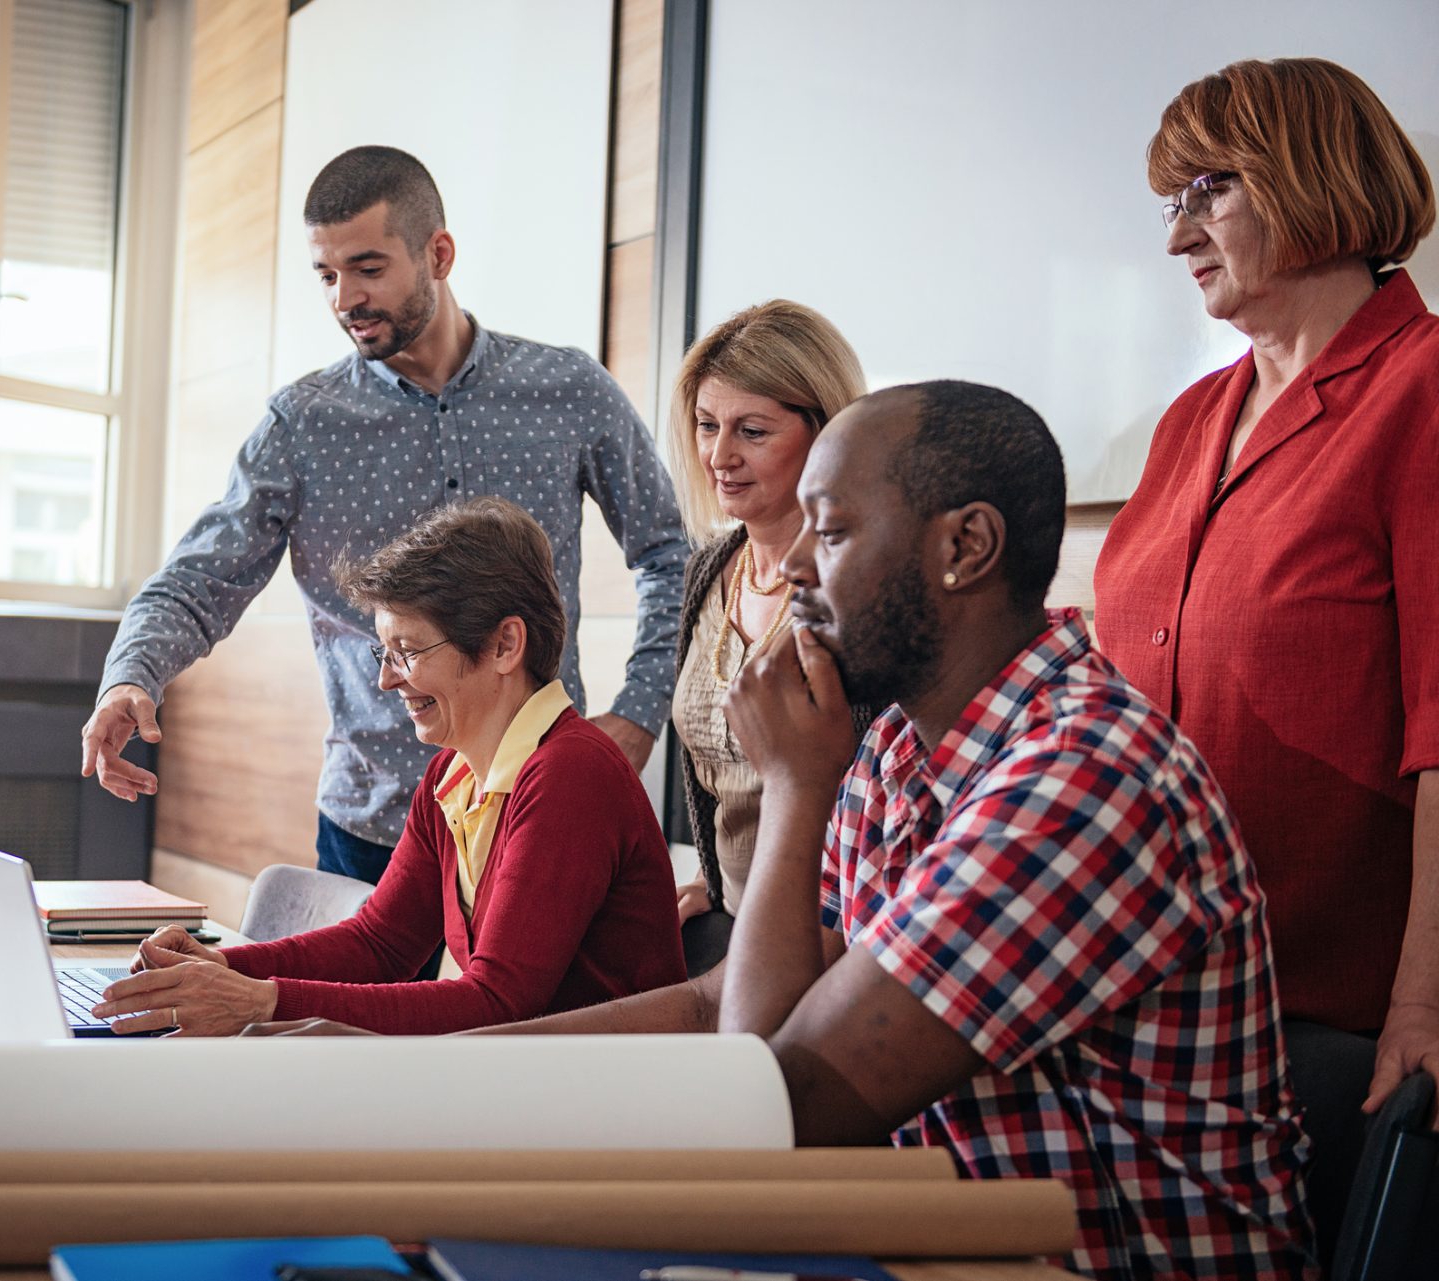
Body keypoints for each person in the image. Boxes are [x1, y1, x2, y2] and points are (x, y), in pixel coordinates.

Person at [275, 383, 1317, 1278]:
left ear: (965, 548)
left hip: (1069, 1262)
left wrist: (793, 789)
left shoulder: (1079, 779)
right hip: (918, 1233)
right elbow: (715, 1008)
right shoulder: (906, 751)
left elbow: (779, 1096)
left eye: (832, 529)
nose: (797, 572)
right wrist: (408, 1069)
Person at [80, 146, 688, 887]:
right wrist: (129, 677)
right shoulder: (301, 424)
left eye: (368, 268)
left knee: (531, 1010)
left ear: (439, 253)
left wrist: (640, 712)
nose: (345, 299)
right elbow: (197, 581)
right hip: (375, 827)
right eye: (327, 275)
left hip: (542, 811)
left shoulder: (568, 390)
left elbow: (668, 554)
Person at [1093, 58, 1439, 1112]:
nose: (1176, 237)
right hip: (1144, 993)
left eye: (1210, 193)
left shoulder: (1423, 389)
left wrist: (1424, 1004)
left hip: (1331, 1018)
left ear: (1314, 176)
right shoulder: (1191, 417)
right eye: (1170, 202)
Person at [88, 498, 687, 1036]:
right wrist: (217, 965)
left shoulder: (570, 774)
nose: (385, 678)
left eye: (408, 651)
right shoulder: (451, 775)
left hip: (600, 1100)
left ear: (505, 645)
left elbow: (498, 1004)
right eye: (385, 650)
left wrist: (259, 1001)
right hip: (525, 1082)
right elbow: (381, 944)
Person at [663, 301, 867, 926]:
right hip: (734, 919)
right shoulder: (709, 571)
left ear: (828, 432)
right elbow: (713, 780)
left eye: (752, 431)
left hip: (833, 933)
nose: (719, 455)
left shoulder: (863, 582)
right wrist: (711, 877)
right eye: (705, 425)